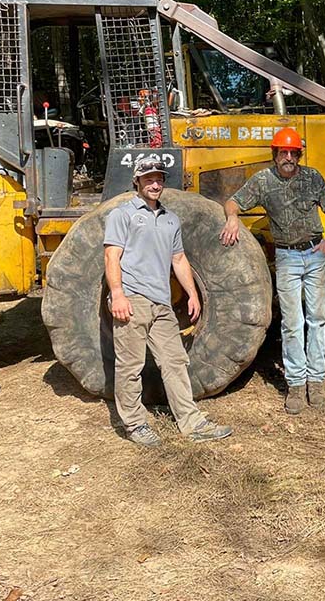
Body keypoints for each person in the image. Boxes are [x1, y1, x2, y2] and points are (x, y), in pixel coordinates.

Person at [104, 156, 233, 446]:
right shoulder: (122, 215)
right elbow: (112, 256)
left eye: (159, 178)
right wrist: (118, 294)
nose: (155, 183)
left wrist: (192, 293)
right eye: (148, 178)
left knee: (175, 361)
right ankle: (135, 424)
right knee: (130, 365)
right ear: (137, 181)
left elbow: (178, 259)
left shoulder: (170, 219)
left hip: (161, 303)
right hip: (133, 301)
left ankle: (192, 422)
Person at [219, 127, 325, 415]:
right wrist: (232, 218)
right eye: (282, 152)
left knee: (318, 319)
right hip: (286, 257)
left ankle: (316, 381)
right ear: (275, 155)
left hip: (315, 255)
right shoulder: (263, 181)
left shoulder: (312, 178)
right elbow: (232, 202)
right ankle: (296, 384)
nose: (288, 157)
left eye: (292, 152)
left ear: (298, 154)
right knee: (292, 323)